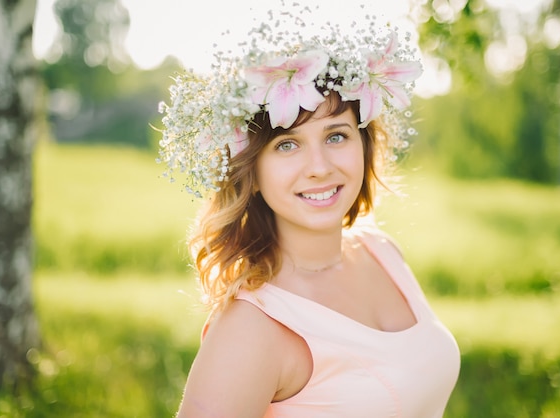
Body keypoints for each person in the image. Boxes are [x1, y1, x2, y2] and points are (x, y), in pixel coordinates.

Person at [158, 6, 460, 417]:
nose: (319, 166)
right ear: (254, 172)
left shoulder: (382, 252)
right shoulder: (251, 328)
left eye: (336, 135)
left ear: (364, 145)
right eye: (287, 144)